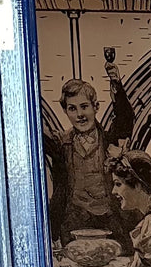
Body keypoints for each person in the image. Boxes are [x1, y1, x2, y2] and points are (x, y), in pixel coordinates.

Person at [42, 62, 135, 253]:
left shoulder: (109, 140)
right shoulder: (62, 144)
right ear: (66, 111)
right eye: (72, 109)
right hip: (74, 223)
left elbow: (125, 119)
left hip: (111, 222)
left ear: (95, 107)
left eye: (84, 107)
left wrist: (116, 84)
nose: (80, 115)